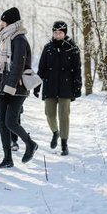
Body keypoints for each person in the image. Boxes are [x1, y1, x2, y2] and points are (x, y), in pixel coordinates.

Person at [0, 7, 38, 169]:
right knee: (2, 123)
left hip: (17, 89)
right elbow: (0, 64)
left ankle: (30, 144)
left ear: (10, 22)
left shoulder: (19, 39)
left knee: (10, 122)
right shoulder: (5, 39)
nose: (1, 24)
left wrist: (9, 87)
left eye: (3, 21)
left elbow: (18, 65)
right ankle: (7, 158)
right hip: (4, 87)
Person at [35, 21, 82, 157]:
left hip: (66, 87)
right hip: (50, 85)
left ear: (65, 33)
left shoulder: (72, 48)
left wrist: (77, 86)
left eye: (60, 33)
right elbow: (41, 68)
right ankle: (55, 132)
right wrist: (37, 86)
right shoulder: (48, 48)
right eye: (55, 32)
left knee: (64, 116)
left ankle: (64, 144)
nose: (57, 35)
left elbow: (77, 70)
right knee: (49, 114)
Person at [0, 24, 20, 152]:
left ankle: (14, 140)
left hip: (12, 84)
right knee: (2, 116)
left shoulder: (14, 46)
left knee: (14, 115)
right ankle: (7, 142)